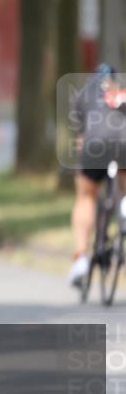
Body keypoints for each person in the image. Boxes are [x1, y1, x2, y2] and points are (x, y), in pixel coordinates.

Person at [67, 64, 126, 288]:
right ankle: (124, 206)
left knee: (86, 195)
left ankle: (80, 259)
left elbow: (81, 138)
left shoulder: (83, 94)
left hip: (95, 145)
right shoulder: (121, 91)